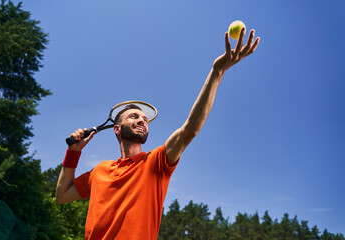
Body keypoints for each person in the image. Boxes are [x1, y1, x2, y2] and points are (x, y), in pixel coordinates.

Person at [56, 28, 260, 240]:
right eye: (134, 117)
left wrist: (216, 72)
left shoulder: (156, 163)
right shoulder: (99, 171)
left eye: (144, 119)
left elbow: (190, 129)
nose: (141, 120)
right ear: (116, 128)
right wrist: (73, 152)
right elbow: (62, 196)